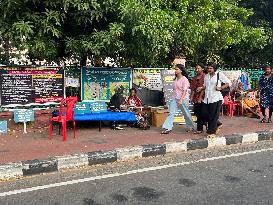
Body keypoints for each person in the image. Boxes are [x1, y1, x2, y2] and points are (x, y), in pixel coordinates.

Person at [197, 63, 231, 138]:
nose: (209, 70)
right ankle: (218, 124)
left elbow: (228, 83)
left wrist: (220, 88)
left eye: (211, 68)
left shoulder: (219, 75)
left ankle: (212, 132)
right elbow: (205, 86)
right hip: (207, 98)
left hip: (216, 98)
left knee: (213, 115)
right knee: (204, 114)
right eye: (208, 68)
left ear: (214, 69)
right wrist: (201, 88)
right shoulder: (206, 76)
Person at [162, 64, 195, 134]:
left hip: (183, 98)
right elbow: (175, 90)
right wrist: (172, 99)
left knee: (186, 113)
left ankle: (191, 126)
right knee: (171, 112)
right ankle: (168, 128)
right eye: (175, 69)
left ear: (181, 70)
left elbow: (185, 90)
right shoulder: (176, 79)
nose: (175, 70)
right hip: (174, 98)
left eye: (177, 69)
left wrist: (181, 99)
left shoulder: (184, 79)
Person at [190, 63, 206, 134]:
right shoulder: (194, 78)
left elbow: (204, 88)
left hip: (203, 98)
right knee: (196, 112)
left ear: (202, 68)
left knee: (201, 113)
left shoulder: (205, 77)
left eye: (198, 68)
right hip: (196, 98)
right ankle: (203, 124)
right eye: (196, 68)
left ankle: (200, 129)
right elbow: (193, 89)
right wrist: (191, 97)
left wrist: (200, 98)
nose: (197, 70)